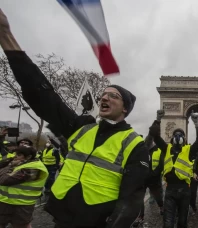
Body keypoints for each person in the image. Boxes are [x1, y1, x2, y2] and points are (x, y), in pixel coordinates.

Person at [0, 9, 150, 228]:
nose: (104, 98)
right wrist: (6, 36)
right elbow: (44, 96)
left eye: (113, 96)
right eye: (103, 95)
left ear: (125, 108)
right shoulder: (82, 128)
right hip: (61, 218)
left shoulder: (135, 144)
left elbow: (132, 198)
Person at [148, 110, 198, 228]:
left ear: (184, 138)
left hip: (184, 190)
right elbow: (155, 136)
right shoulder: (166, 148)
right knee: (167, 223)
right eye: (176, 134)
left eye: (181, 134)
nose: (178, 136)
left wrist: (196, 124)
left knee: (182, 222)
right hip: (170, 190)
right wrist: (158, 120)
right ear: (172, 137)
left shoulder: (189, 150)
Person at [0, 146, 49, 228]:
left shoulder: (33, 168)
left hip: (21, 205)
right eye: (15, 154)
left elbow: (4, 180)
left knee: (21, 225)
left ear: (29, 157)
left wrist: (10, 166)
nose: (15, 156)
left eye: (19, 155)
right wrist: (10, 162)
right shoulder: (21, 163)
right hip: (5, 201)